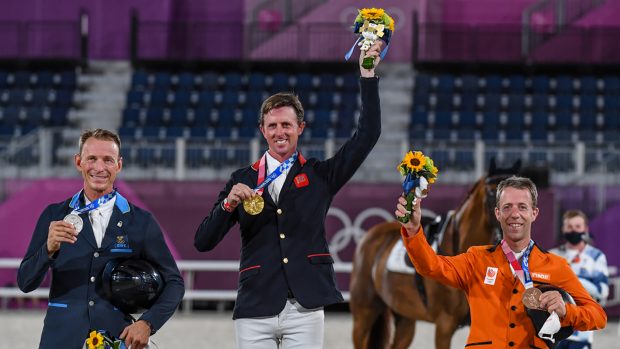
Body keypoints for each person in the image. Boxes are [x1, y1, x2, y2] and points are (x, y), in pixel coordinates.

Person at [194, 41, 383, 348]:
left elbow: (368, 134)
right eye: (272, 125)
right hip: (255, 305)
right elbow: (203, 242)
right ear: (261, 130)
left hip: (305, 308)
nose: (279, 132)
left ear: (301, 128)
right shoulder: (241, 179)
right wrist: (228, 205)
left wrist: (367, 73)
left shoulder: (321, 175)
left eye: (286, 125)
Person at [17, 129, 185, 349]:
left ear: (119, 165)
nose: (99, 167)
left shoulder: (141, 221)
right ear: (78, 162)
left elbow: (174, 282)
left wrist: (148, 322)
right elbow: (25, 282)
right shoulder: (54, 215)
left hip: (116, 338)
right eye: (91, 159)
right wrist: (48, 250)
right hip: (61, 339)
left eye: (108, 160)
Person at [396, 176, 607, 348]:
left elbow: (598, 316)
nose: (514, 214)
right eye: (507, 207)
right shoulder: (476, 259)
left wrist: (566, 311)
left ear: (534, 213)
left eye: (522, 207)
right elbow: (430, 266)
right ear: (497, 213)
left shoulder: (556, 266)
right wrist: (414, 231)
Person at [550, 210, 609, 349]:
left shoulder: (596, 256)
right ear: (563, 229)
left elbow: (602, 292)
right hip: (554, 329)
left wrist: (571, 279)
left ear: (585, 229)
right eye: (569, 227)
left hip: (582, 332)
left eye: (577, 227)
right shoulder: (552, 255)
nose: (573, 230)